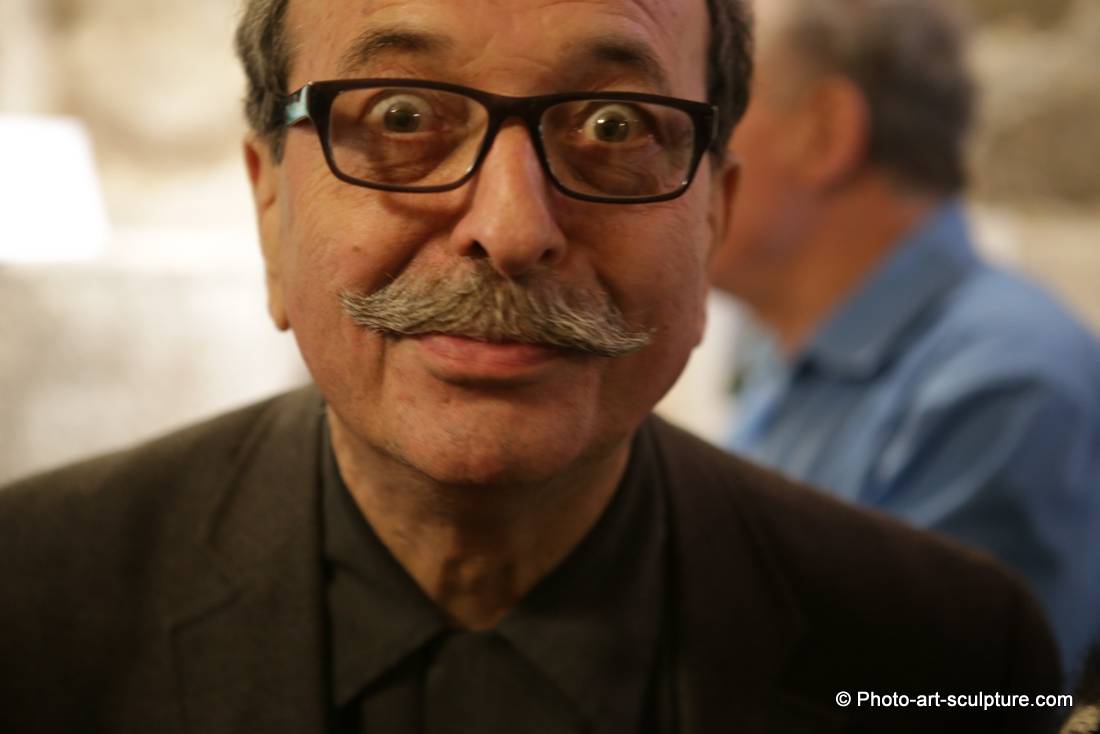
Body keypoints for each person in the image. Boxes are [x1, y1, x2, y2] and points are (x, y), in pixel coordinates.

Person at [0, 0, 1062, 731]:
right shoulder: (30, 603)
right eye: (402, 117)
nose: (511, 230)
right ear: (269, 203)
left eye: (613, 125)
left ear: (712, 218)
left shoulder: (945, 649)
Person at [710, 0, 1100, 683]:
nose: (679, 156)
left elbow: (927, 706)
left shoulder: (1004, 389)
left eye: (715, 112)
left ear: (824, 132)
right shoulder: (781, 343)